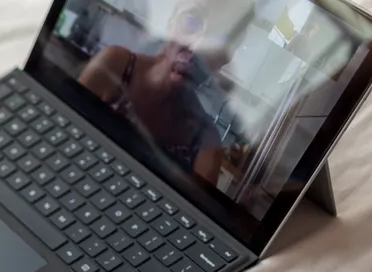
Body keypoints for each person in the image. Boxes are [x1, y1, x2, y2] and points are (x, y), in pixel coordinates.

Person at [76, 0, 246, 184]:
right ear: (171, 23)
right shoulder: (115, 64)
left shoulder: (206, 142)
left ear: (225, 60)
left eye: (217, 38)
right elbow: (68, 136)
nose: (196, 47)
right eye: (191, 22)